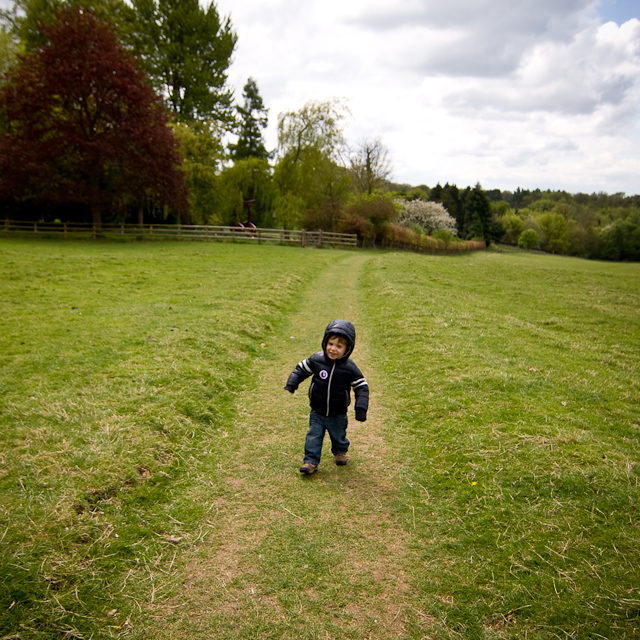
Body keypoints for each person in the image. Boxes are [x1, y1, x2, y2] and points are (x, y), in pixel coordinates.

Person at [285, 319, 369, 475]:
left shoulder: (349, 368)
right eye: (330, 344)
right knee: (313, 436)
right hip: (317, 410)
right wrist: (292, 383)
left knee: (339, 435)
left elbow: (361, 387)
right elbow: (301, 370)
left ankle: (340, 451)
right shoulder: (317, 360)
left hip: (338, 413)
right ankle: (310, 461)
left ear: (348, 349)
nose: (333, 349)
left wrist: (361, 408)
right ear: (325, 342)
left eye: (339, 346)